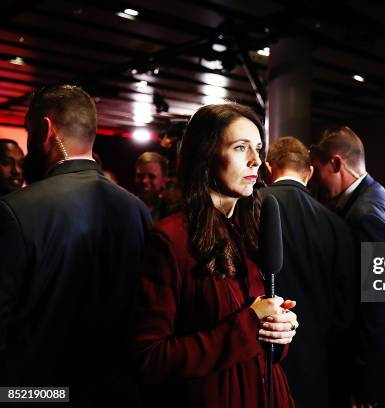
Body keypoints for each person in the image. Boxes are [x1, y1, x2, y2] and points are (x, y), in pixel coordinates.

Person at [132, 103, 298, 408]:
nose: (255, 160)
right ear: (206, 156)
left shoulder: (251, 229)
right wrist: (249, 324)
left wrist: (278, 330)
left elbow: (259, 335)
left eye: (258, 149)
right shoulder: (171, 239)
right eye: (240, 147)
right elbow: (149, 358)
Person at [0, 85, 151, 405]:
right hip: (117, 391)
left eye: (28, 131)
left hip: (38, 393)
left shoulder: (15, 210)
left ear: (44, 129)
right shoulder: (137, 210)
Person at [310, 125, 385, 408]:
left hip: (382, 365)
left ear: (336, 163)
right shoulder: (377, 196)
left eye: (317, 169)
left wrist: (366, 384)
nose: (315, 179)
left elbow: (378, 305)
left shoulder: (365, 215)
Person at [259, 136, 355, 407]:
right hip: (317, 359)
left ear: (268, 168)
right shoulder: (336, 224)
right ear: (310, 172)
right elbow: (344, 307)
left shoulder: (250, 208)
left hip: (262, 354)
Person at [134, 151, 174, 221]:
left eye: (151, 176)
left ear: (164, 180)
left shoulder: (172, 212)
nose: (144, 181)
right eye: (140, 175)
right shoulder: (126, 207)